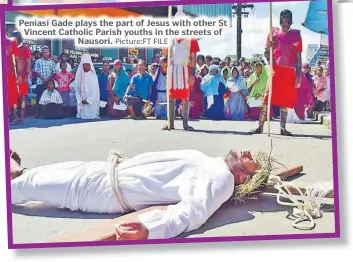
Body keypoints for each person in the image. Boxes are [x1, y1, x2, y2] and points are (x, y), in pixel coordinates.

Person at [10, 148, 259, 240]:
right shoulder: (212, 163)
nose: (248, 152)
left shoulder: (222, 179)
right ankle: (16, 171)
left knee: (23, 187)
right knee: (33, 178)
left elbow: (192, 213)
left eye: (252, 160)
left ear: (244, 178)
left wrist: (150, 228)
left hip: (103, 191)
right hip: (103, 172)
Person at [249, 9, 303, 136]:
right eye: (283, 17)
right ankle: (260, 126)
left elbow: (298, 58)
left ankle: (282, 128)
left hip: (289, 71)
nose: (285, 19)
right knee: (267, 98)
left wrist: (299, 75)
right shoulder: (273, 33)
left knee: (285, 100)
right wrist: (270, 48)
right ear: (280, 19)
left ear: (290, 19)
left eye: (287, 17)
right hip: (275, 69)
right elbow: (266, 53)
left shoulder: (296, 35)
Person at [12, 31, 31, 123]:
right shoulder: (10, 48)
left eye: (15, 36)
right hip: (12, 77)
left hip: (22, 76)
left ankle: (22, 117)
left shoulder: (25, 48)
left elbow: (28, 63)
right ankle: (14, 117)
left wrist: (26, 76)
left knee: (22, 97)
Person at [74, 53, 100, 120]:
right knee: (83, 114)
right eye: (84, 65)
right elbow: (76, 87)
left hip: (91, 100)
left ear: (90, 65)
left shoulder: (93, 75)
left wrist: (88, 100)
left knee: (91, 113)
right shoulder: (79, 75)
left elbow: (95, 90)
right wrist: (80, 100)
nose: (85, 67)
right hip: (82, 99)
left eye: (87, 65)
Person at [33, 47, 57, 118]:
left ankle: (48, 113)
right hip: (40, 82)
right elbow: (36, 71)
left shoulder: (52, 62)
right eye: (44, 52)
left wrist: (47, 79)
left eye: (47, 52)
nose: (45, 54)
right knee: (39, 98)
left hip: (49, 84)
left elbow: (54, 72)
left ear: (49, 53)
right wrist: (43, 78)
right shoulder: (38, 61)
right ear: (42, 53)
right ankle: (38, 113)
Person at [6, 36, 22, 124]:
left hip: (9, 73)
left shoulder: (11, 41)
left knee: (12, 94)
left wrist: (19, 75)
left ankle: (12, 114)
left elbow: (18, 59)